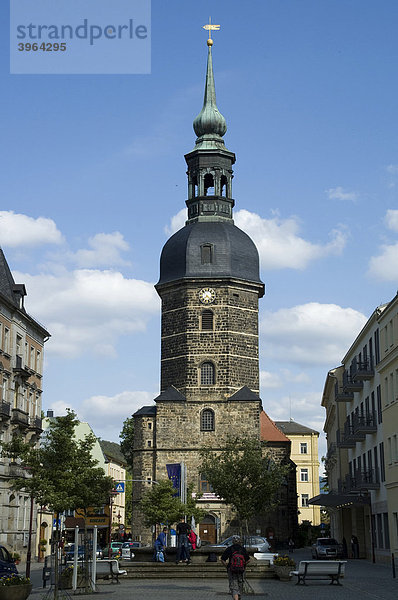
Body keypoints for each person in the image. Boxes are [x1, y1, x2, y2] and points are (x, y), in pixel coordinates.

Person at [221, 535, 250, 600]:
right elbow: (248, 560)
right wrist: (243, 565)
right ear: (239, 541)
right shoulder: (242, 549)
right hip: (241, 570)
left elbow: (222, 559)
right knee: (240, 584)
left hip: (232, 570)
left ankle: (236, 598)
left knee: (234, 586)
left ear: (232, 541)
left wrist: (227, 566)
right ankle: (238, 597)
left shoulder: (229, 549)